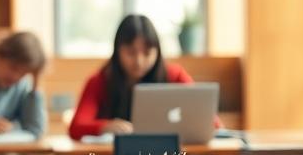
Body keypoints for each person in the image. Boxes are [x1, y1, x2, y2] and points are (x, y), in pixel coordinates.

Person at [68, 13, 217, 140]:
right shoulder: (100, 81)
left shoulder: (174, 75)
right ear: (117, 51)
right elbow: (76, 127)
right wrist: (106, 126)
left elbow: (211, 123)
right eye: (131, 52)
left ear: (157, 52)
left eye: (147, 53)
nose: (139, 61)